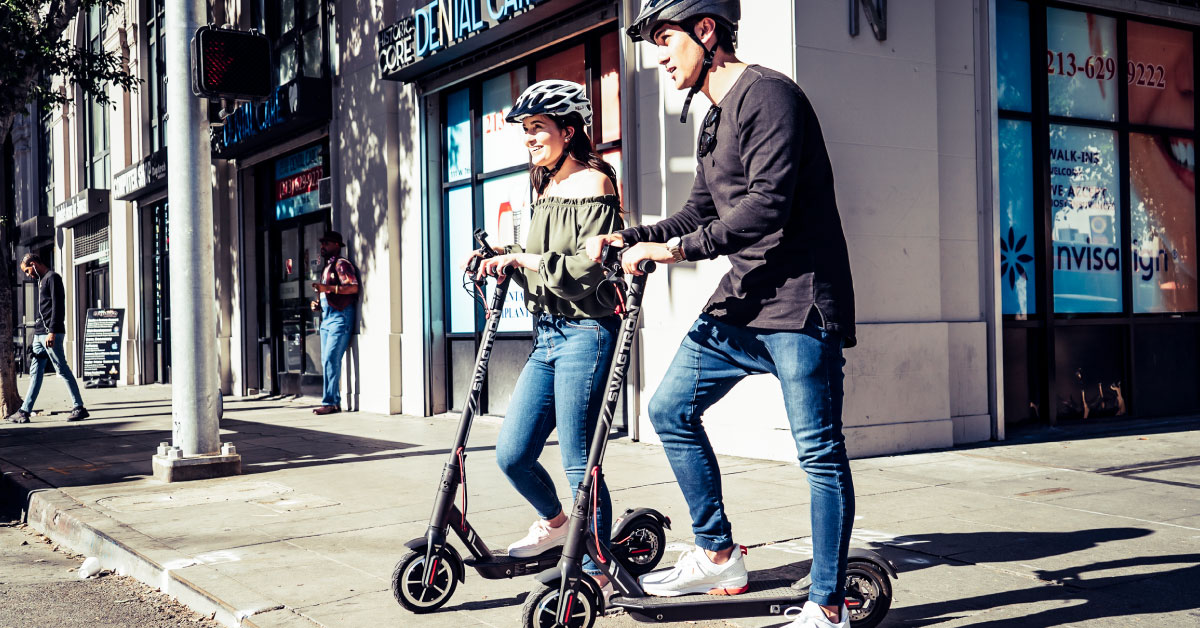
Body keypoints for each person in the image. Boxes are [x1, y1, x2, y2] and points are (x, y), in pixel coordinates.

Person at [586, 2, 858, 626]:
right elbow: (698, 210)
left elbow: (767, 206)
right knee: (668, 409)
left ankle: (829, 604)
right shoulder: (712, 119)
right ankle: (718, 553)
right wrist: (636, 236)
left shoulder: (769, 97)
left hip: (798, 301)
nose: (659, 56)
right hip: (742, 301)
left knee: (818, 453)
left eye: (666, 40)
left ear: (706, 32)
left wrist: (677, 250)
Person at [469, 80, 623, 588]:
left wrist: (523, 259)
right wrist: (499, 261)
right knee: (512, 454)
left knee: (580, 459)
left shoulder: (594, 184)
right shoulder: (545, 185)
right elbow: (540, 262)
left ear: (569, 130)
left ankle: (597, 564)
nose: (530, 138)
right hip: (549, 333)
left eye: (539, 128)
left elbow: (585, 268)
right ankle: (559, 525)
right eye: (527, 130)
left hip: (587, 331)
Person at [6, 253, 89, 424]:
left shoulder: (53, 278)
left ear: (34, 263)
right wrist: (35, 335)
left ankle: (79, 407)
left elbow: (58, 307)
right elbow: (43, 309)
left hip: (51, 334)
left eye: (28, 270)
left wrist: (52, 331)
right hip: (39, 335)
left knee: (62, 369)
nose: (28, 274)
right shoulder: (40, 280)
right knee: (35, 373)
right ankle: (24, 411)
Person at [309, 230, 359, 415]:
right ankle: (332, 402)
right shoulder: (327, 268)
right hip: (327, 318)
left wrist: (327, 288)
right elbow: (326, 294)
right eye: (322, 243)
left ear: (336, 245)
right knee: (327, 361)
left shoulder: (341, 264)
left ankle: (330, 403)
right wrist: (317, 304)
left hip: (340, 317)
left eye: (327, 243)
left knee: (330, 359)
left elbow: (353, 287)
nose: (323, 246)